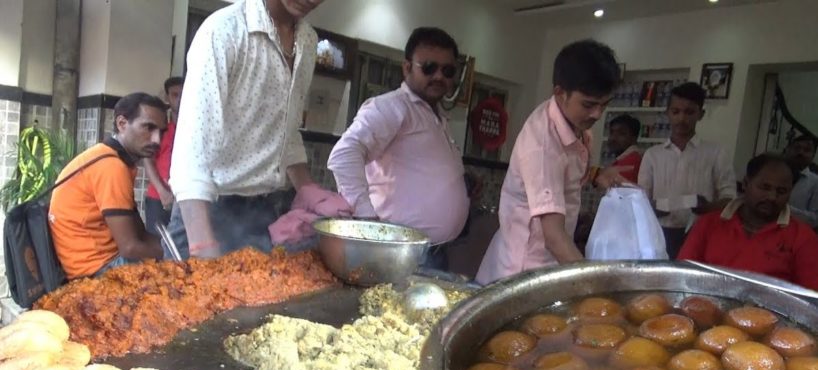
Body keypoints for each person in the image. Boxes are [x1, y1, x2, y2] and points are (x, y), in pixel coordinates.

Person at [168, 0, 340, 259]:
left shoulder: (307, 40)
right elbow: (192, 150)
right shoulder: (224, 30)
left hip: (263, 213)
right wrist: (201, 245)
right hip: (207, 212)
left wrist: (308, 189)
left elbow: (287, 130)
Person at [476, 39, 626, 285]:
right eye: (589, 104)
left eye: (604, 104)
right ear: (560, 93)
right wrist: (596, 285)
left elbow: (569, 176)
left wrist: (598, 174)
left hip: (549, 260)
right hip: (523, 268)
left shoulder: (578, 126)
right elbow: (554, 237)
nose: (597, 114)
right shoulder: (543, 145)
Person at [327, 27, 469, 269]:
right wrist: (367, 220)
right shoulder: (393, 107)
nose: (439, 76)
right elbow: (344, 155)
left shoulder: (436, 116)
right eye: (428, 67)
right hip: (399, 254)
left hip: (434, 253)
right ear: (407, 67)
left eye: (448, 70)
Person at [49, 93, 166, 279]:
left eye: (161, 132)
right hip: (93, 271)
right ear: (122, 124)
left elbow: (139, 233)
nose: (157, 140)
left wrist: (171, 247)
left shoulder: (113, 158)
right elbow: (130, 247)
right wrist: (178, 254)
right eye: (148, 128)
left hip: (99, 261)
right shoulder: (112, 167)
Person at [678, 153, 818, 290]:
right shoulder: (708, 223)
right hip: (706, 308)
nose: (772, 197)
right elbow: (682, 276)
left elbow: (810, 296)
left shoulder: (803, 238)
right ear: (745, 184)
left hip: (770, 312)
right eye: (765, 187)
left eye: (781, 191)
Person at [637, 82, 736, 259]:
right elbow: (641, 200)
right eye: (676, 112)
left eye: (689, 112)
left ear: (701, 114)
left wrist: (707, 207)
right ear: (667, 113)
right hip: (659, 233)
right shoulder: (653, 155)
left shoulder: (716, 153)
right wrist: (652, 208)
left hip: (701, 232)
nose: (682, 119)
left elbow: (729, 199)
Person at [143, 76, 183, 235]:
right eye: (175, 95)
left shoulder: (196, 128)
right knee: (157, 247)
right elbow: (148, 160)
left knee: (182, 249)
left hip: (185, 197)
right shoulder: (160, 127)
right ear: (167, 97)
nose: (180, 99)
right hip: (158, 196)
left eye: (183, 94)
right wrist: (162, 191)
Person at [786, 134, 818, 228]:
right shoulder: (774, 173)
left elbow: (815, 219)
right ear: (788, 149)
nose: (800, 152)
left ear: (813, 155)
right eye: (797, 148)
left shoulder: (816, 182)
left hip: (797, 235)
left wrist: (785, 210)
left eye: (807, 150)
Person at [607, 114, 642, 183]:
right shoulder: (625, 159)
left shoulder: (631, 162)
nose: (613, 138)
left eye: (621, 133)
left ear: (634, 138)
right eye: (611, 132)